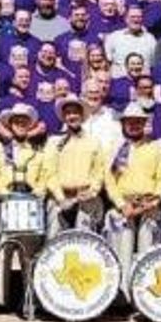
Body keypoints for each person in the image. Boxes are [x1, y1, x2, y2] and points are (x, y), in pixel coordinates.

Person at [0, 103, 46, 315]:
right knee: (2, 251)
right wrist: (1, 190)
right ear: (9, 125)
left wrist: (37, 191)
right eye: (16, 121)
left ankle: (31, 299)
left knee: (29, 253)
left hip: (29, 205)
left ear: (30, 125)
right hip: (6, 202)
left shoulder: (37, 153)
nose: (20, 124)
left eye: (24, 121)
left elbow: (45, 178)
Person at [103, 102, 161, 300]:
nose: (133, 125)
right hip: (125, 204)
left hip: (149, 204)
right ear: (123, 124)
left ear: (144, 124)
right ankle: (121, 295)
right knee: (122, 246)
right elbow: (109, 179)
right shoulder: (116, 150)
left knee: (147, 250)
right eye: (130, 122)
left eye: (138, 122)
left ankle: (145, 296)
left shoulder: (156, 148)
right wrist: (121, 205)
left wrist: (154, 201)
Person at [43, 94, 104, 238]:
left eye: (75, 112)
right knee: (54, 241)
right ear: (64, 116)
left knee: (84, 242)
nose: (72, 116)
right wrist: (60, 197)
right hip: (60, 199)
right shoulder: (54, 142)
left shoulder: (93, 142)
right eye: (68, 113)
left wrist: (92, 192)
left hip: (85, 198)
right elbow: (49, 172)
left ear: (82, 115)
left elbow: (99, 172)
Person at [104, 5, 156, 78]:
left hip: (143, 84)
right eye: (132, 17)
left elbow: (153, 65)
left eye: (139, 17)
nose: (136, 20)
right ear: (126, 19)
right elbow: (107, 63)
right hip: (120, 83)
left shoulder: (150, 39)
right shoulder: (114, 37)